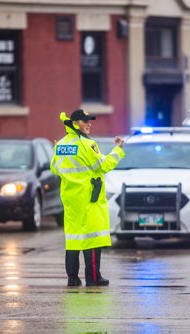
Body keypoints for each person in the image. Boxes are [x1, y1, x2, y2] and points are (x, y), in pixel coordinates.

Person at [50, 109, 125, 287]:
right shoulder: (87, 144)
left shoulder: (60, 145)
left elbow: (55, 169)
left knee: (74, 238)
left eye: (89, 121)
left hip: (70, 199)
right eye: (85, 121)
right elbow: (103, 165)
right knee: (92, 238)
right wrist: (118, 150)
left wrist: (56, 150)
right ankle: (93, 277)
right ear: (75, 124)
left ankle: (72, 278)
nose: (89, 124)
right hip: (89, 198)